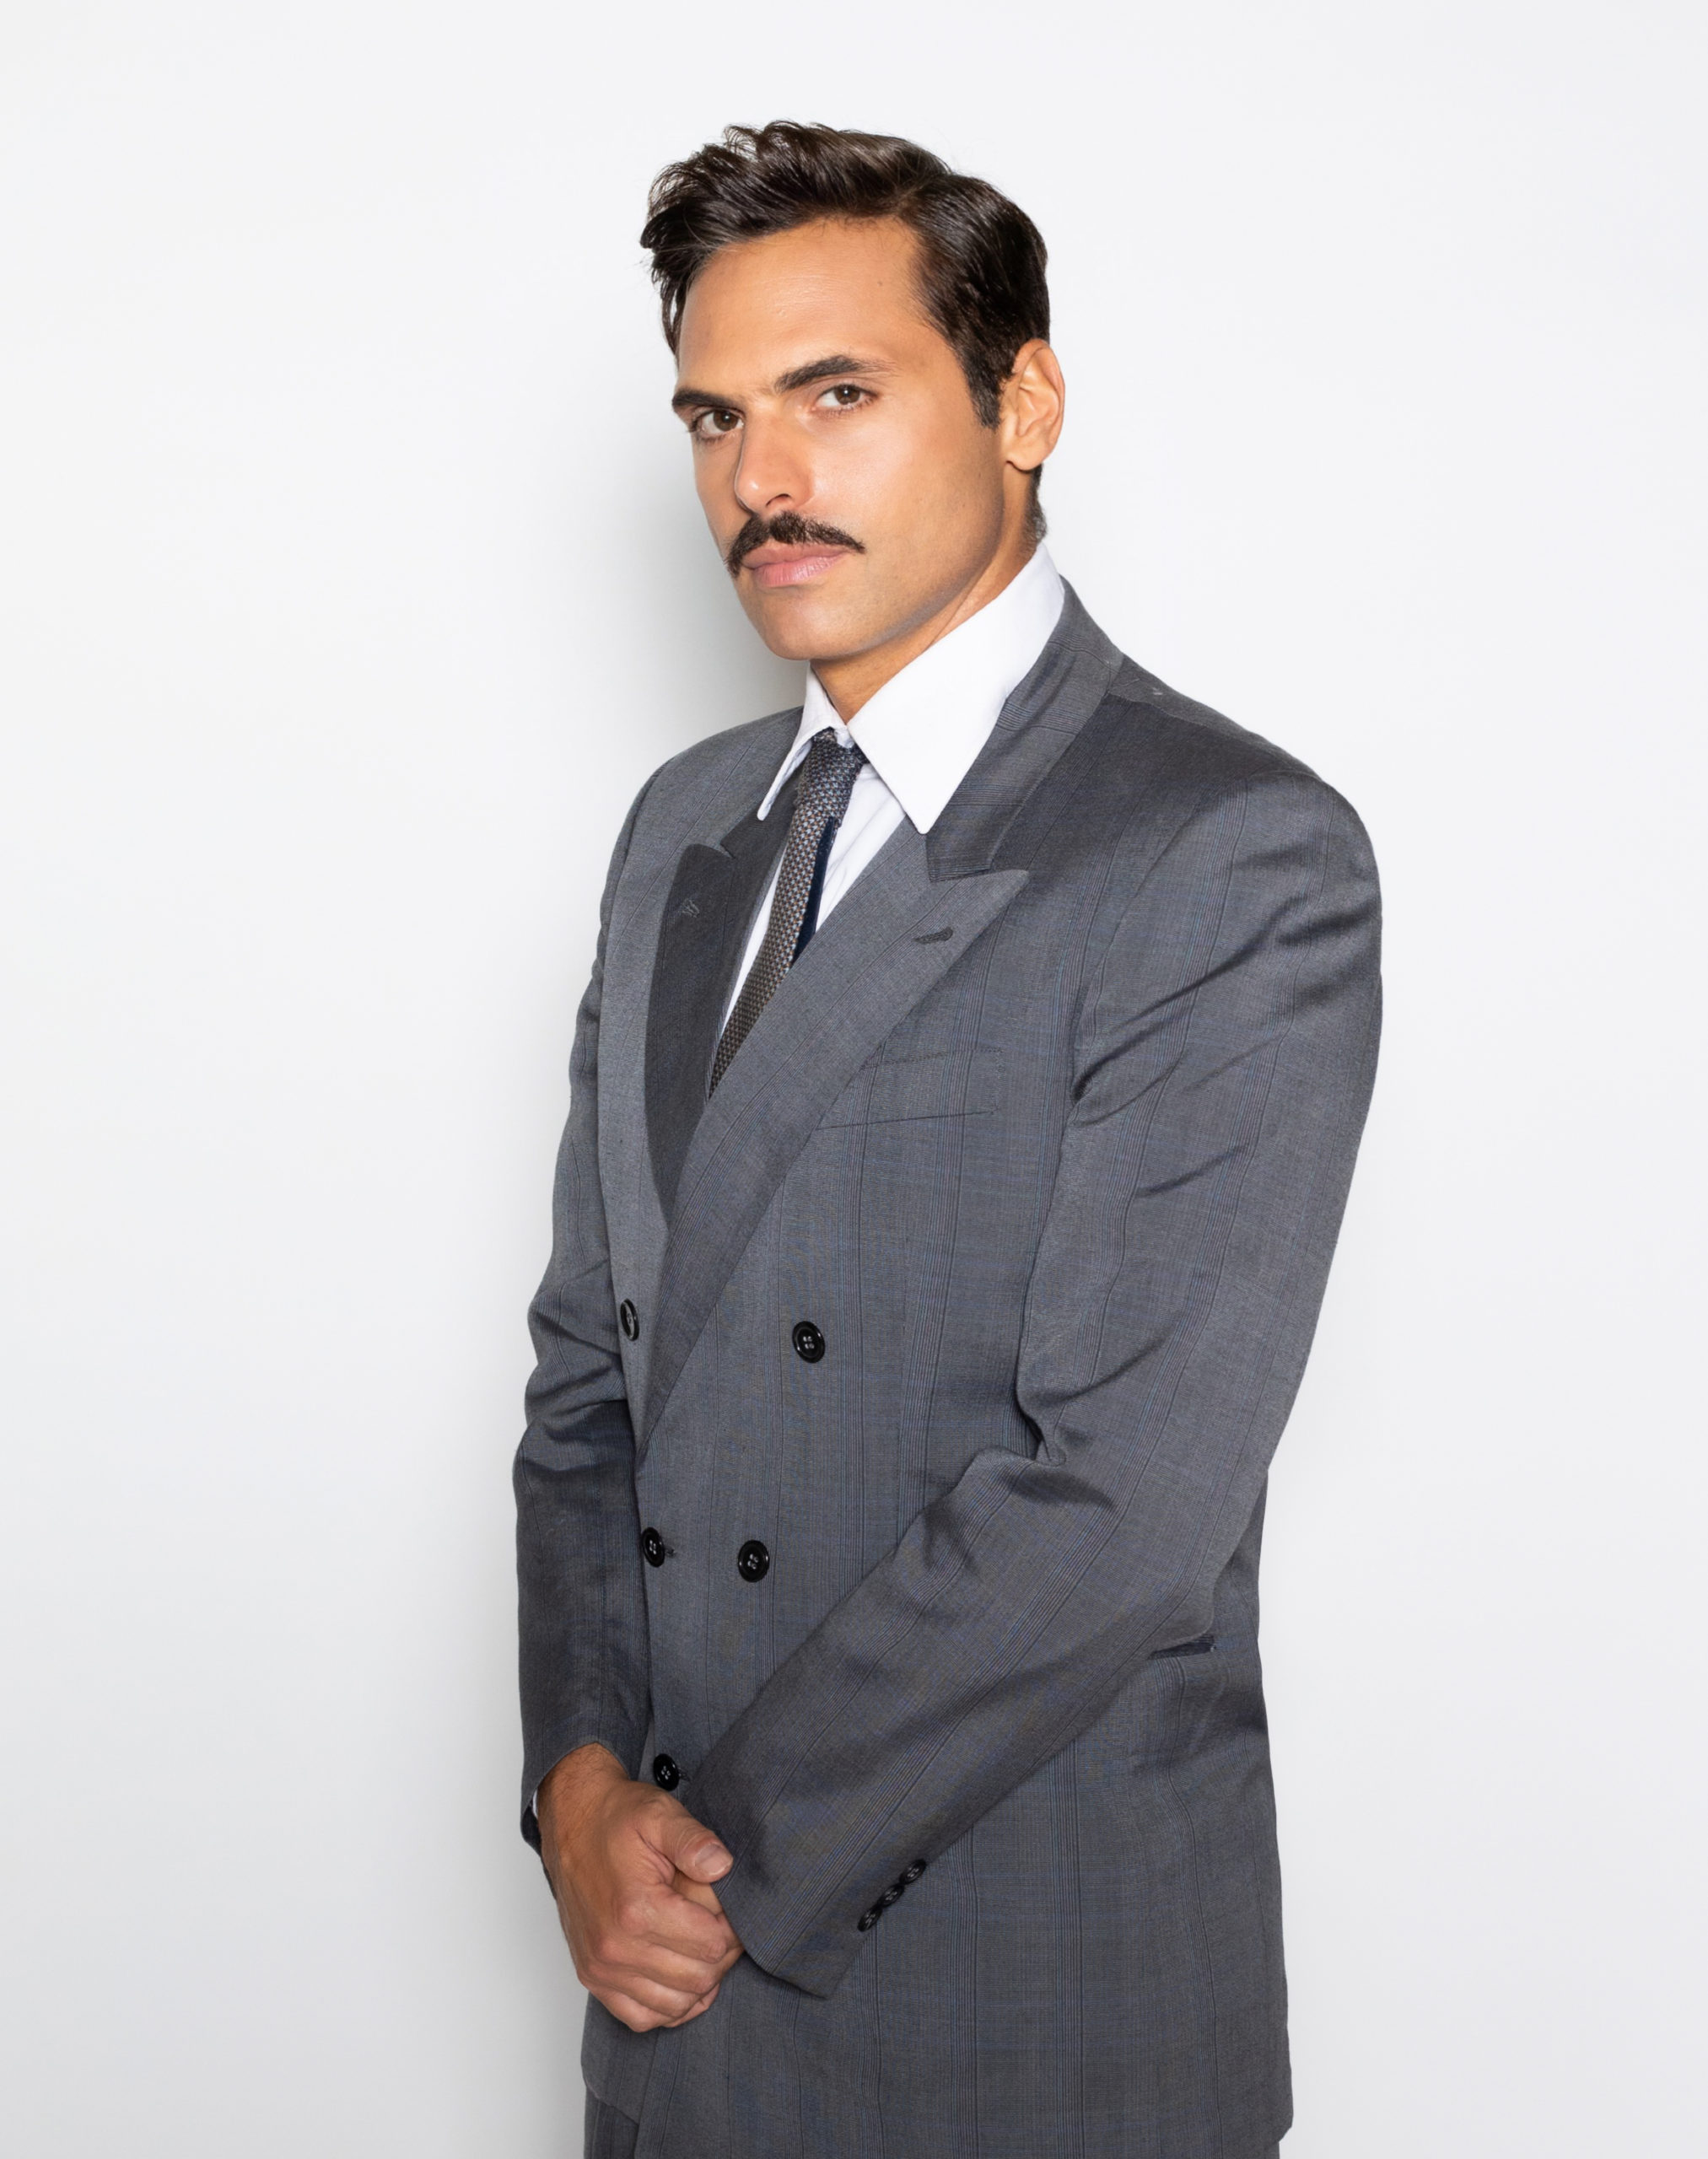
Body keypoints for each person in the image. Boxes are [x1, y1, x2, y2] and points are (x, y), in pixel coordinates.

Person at [515, 121, 1381, 2159]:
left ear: (1023, 402)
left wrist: (701, 1857)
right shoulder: (681, 830)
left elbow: (1116, 1499)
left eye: (835, 393)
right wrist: (573, 1788)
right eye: (714, 416)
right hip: (665, 2009)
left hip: (1022, 2001)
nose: (761, 476)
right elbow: (583, 1386)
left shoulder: (1226, 851)